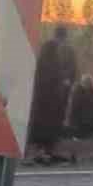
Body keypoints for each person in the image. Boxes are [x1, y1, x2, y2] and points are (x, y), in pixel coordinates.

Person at [28, 25, 77, 162]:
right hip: (56, 95)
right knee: (55, 120)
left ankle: (41, 148)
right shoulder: (65, 51)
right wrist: (67, 82)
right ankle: (49, 147)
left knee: (44, 121)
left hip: (43, 98)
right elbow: (72, 70)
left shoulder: (43, 55)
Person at [69, 74, 93, 138]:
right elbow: (74, 108)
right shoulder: (77, 93)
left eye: (89, 83)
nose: (88, 85)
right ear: (82, 83)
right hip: (79, 122)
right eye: (86, 83)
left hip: (89, 121)